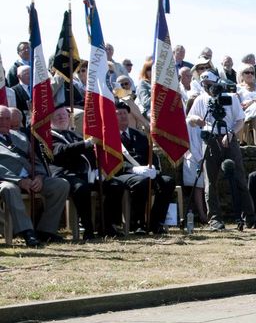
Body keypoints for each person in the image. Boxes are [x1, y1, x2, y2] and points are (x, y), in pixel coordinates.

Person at [187, 70, 256, 230]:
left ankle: (250, 216)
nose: (207, 88)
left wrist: (231, 133)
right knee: (210, 182)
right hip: (210, 140)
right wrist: (195, 120)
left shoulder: (230, 98)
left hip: (229, 138)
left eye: (210, 85)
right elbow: (190, 118)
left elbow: (240, 119)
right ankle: (215, 219)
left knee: (239, 178)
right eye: (204, 85)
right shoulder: (201, 99)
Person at [0, 106, 70, 246]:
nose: (4, 122)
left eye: (7, 118)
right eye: (0, 118)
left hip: (31, 178)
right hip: (6, 179)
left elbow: (36, 160)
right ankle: (27, 232)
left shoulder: (20, 136)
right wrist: (19, 181)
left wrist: (39, 176)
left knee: (61, 184)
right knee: (10, 189)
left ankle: (46, 231)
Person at [107, 101, 174, 235]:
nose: (122, 116)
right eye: (118, 114)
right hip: (122, 173)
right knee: (141, 182)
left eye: (125, 113)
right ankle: (137, 224)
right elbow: (112, 160)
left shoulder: (140, 135)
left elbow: (151, 155)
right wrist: (133, 169)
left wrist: (154, 168)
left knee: (167, 181)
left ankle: (155, 222)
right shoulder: (110, 137)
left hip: (144, 172)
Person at [50, 106, 101, 239]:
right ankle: (88, 229)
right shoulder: (49, 136)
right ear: (51, 119)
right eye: (58, 116)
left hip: (83, 174)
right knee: (81, 187)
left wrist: (95, 171)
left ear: (69, 118)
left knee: (112, 184)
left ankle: (107, 226)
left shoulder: (75, 135)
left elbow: (90, 154)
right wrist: (85, 144)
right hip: (64, 174)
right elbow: (60, 151)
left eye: (64, 115)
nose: (62, 118)